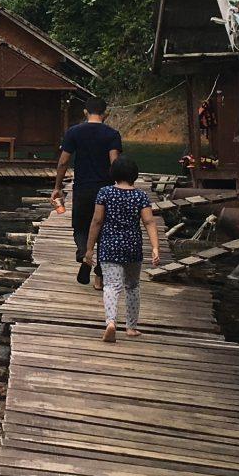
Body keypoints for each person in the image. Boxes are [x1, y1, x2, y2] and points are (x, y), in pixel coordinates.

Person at [84, 156, 160, 342]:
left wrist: (89, 249)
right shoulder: (140, 196)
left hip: (109, 246)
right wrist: (155, 247)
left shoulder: (105, 193)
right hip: (133, 247)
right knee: (133, 286)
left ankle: (111, 322)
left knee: (111, 285)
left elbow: (97, 221)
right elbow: (149, 221)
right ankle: (131, 327)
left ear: (113, 174)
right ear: (135, 175)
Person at [51, 97, 123, 273]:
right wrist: (119, 188)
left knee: (80, 226)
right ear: (106, 114)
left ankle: (83, 252)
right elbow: (115, 163)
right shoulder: (112, 134)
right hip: (105, 189)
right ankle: (100, 266)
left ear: (85, 112)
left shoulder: (73, 132)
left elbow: (63, 162)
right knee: (104, 229)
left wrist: (57, 187)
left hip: (82, 187)